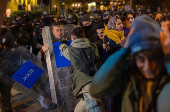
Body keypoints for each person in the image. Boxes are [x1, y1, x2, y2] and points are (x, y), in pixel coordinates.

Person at [90, 15, 170, 112]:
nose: (147, 66)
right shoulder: (128, 77)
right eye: (141, 59)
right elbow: (96, 89)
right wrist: (123, 51)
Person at [58, 27, 105, 112]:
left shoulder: (71, 50)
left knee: (94, 106)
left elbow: (64, 50)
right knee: (80, 109)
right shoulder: (93, 46)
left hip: (85, 85)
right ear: (84, 36)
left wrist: (62, 43)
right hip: (96, 80)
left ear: (72, 38)